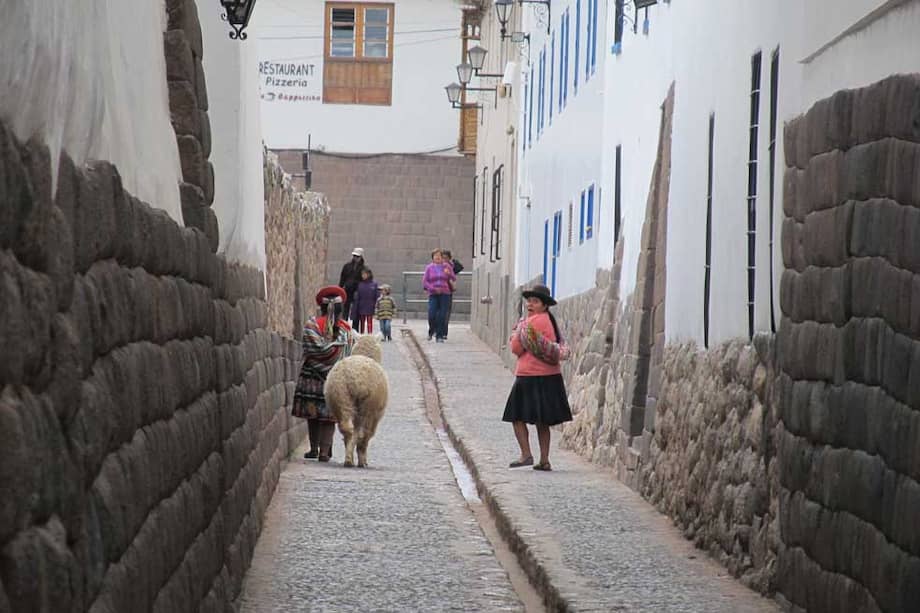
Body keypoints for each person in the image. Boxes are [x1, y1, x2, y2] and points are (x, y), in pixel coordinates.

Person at [503, 284, 572, 471]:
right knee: (543, 421)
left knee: (516, 417)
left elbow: (516, 349)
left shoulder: (530, 324)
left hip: (529, 375)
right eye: (529, 301)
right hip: (550, 376)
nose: (530, 305)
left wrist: (516, 332)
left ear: (544, 305)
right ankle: (544, 460)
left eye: (535, 301)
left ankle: (526, 454)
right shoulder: (550, 321)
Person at [292, 285, 355, 462]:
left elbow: (311, 348)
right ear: (341, 308)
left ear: (321, 306)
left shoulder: (312, 325)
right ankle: (325, 452)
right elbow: (347, 354)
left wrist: (321, 357)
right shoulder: (346, 330)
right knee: (329, 415)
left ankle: (313, 448)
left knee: (313, 412)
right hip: (335, 379)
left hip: (312, 376)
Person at [422, 249, 456, 343]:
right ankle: (432, 330)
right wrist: (433, 288)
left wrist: (449, 273)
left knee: (442, 315)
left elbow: (454, 277)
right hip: (433, 293)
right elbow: (425, 281)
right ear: (432, 258)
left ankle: (439, 335)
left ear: (442, 258)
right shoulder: (429, 268)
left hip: (445, 293)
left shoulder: (447, 266)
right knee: (432, 314)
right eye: (435, 256)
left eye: (439, 256)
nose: (437, 257)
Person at [440, 249, 464, 340]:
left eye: (446, 258)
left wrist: (452, 264)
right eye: (443, 258)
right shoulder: (437, 266)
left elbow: (460, 267)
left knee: (446, 313)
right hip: (437, 292)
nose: (444, 260)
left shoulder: (450, 267)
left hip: (448, 292)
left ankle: (444, 333)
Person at [338, 247, 365, 318]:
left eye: (357, 257)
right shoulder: (347, 266)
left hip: (357, 290)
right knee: (345, 308)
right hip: (347, 289)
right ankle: (344, 323)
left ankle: (355, 327)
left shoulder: (364, 268)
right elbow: (342, 278)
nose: (355, 258)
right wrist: (340, 288)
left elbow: (364, 280)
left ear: (361, 257)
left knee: (356, 309)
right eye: (354, 256)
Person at [351, 267, 379, 334]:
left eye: (364, 274)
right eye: (362, 274)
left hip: (370, 305)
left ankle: (370, 334)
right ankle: (362, 334)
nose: (363, 276)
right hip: (362, 305)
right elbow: (358, 296)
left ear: (368, 274)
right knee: (362, 322)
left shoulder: (374, 284)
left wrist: (376, 305)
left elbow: (376, 296)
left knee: (369, 321)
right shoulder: (360, 284)